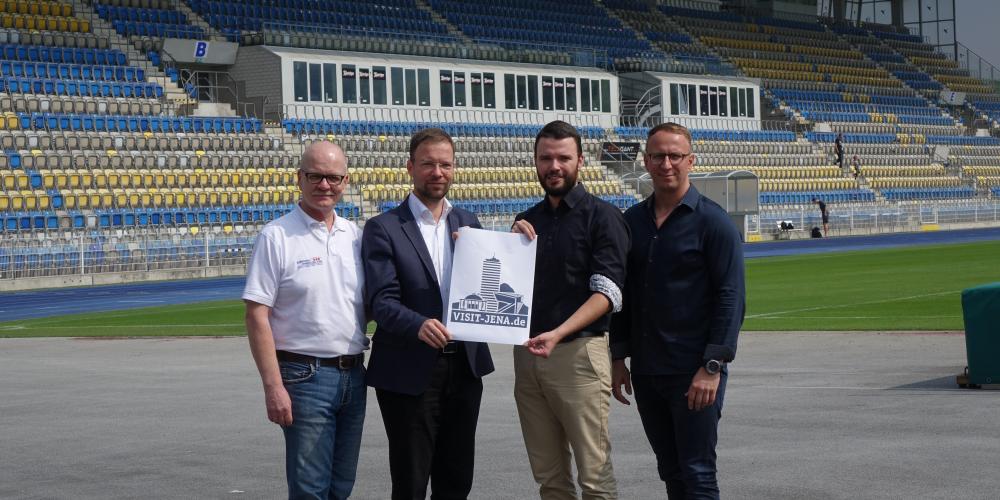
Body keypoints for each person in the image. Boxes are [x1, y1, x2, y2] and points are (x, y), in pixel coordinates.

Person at [609, 122, 745, 500]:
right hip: (649, 372)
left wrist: (712, 366)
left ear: (691, 161)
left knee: (698, 473)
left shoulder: (713, 222)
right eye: (657, 156)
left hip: (694, 371)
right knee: (671, 472)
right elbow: (623, 294)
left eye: (674, 156)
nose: (666, 163)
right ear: (646, 161)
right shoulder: (631, 222)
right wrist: (618, 356)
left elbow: (731, 298)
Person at [362, 128, 495, 500]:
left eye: (445, 164)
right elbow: (381, 302)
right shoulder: (383, 228)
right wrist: (418, 325)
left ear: (454, 169)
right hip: (409, 371)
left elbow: (491, 285)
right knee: (411, 482)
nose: (437, 172)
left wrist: (517, 241)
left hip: (464, 368)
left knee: (456, 481)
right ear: (410, 167)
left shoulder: (469, 224)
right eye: (428, 164)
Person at [243, 141, 368, 500]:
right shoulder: (277, 236)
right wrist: (273, 386)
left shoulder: (355, 236)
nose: (324, 185)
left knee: (341, 484)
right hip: (304, 375)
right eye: (315, 176)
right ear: (299, 178)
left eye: (333, 177)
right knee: (311, 489)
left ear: (345, 180)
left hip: (354, 374)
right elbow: (256, 315)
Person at [511, 120, 630, 500]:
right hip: (529, 359)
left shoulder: (603, 216)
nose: (554, 166)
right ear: (535, 162)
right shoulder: (527, 221)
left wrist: (558, 333)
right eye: (546, 158)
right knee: (550, 479)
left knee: (594, 478)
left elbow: (608, 293)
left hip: (578, 355)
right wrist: (493, 248)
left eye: (563, 157)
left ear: (580, 161)